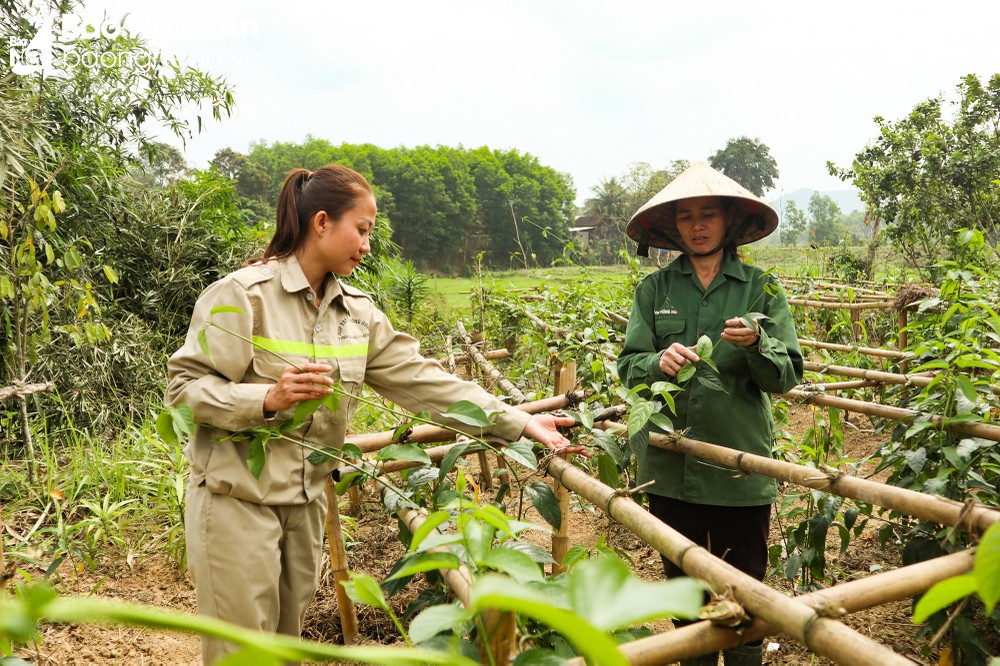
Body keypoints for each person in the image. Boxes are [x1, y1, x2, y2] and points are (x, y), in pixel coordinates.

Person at [165, 164, 577, 664]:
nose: (367, 245)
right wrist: (266, 400)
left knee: (284, 647)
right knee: (240, 653)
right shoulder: (243, 296)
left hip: (305, 502)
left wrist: (517, 419)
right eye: (362, 230)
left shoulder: (358, 315)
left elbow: (426, 382)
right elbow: (184, 392)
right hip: (236, 503)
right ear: (321, 223)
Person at [616, 162, 803, 666]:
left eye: (707, 215)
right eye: (686, 217)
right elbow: (629, 365)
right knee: (686, 595)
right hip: (671, 469)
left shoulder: (760, 289)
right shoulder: (653, 291)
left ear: (729, 222)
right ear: (673, 228)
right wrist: (658, 360)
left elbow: (786, 377)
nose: (697, 226)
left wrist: (760, 343)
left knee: (744, 591)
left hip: (739, 463)